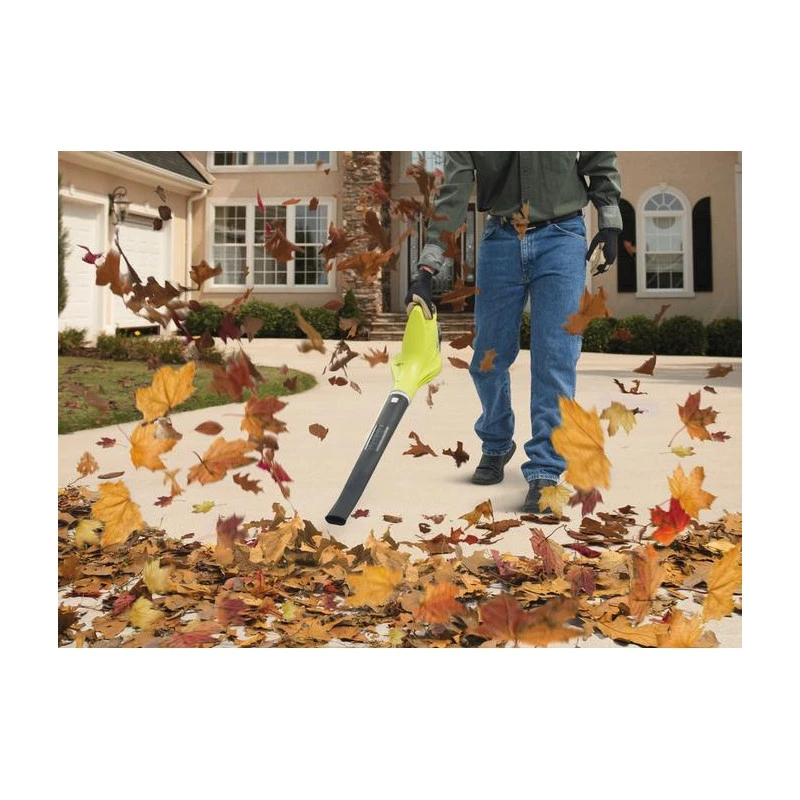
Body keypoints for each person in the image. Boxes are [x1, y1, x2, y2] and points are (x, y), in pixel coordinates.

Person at [404, 152, 622, 514]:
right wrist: (427, 267)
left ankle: (545, 470)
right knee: (487, 357)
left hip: (562, 236)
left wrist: (610, 222)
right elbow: (455, 190)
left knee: (555, 356)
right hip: (500, 239)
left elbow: (599, 161)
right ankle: (496, 442)